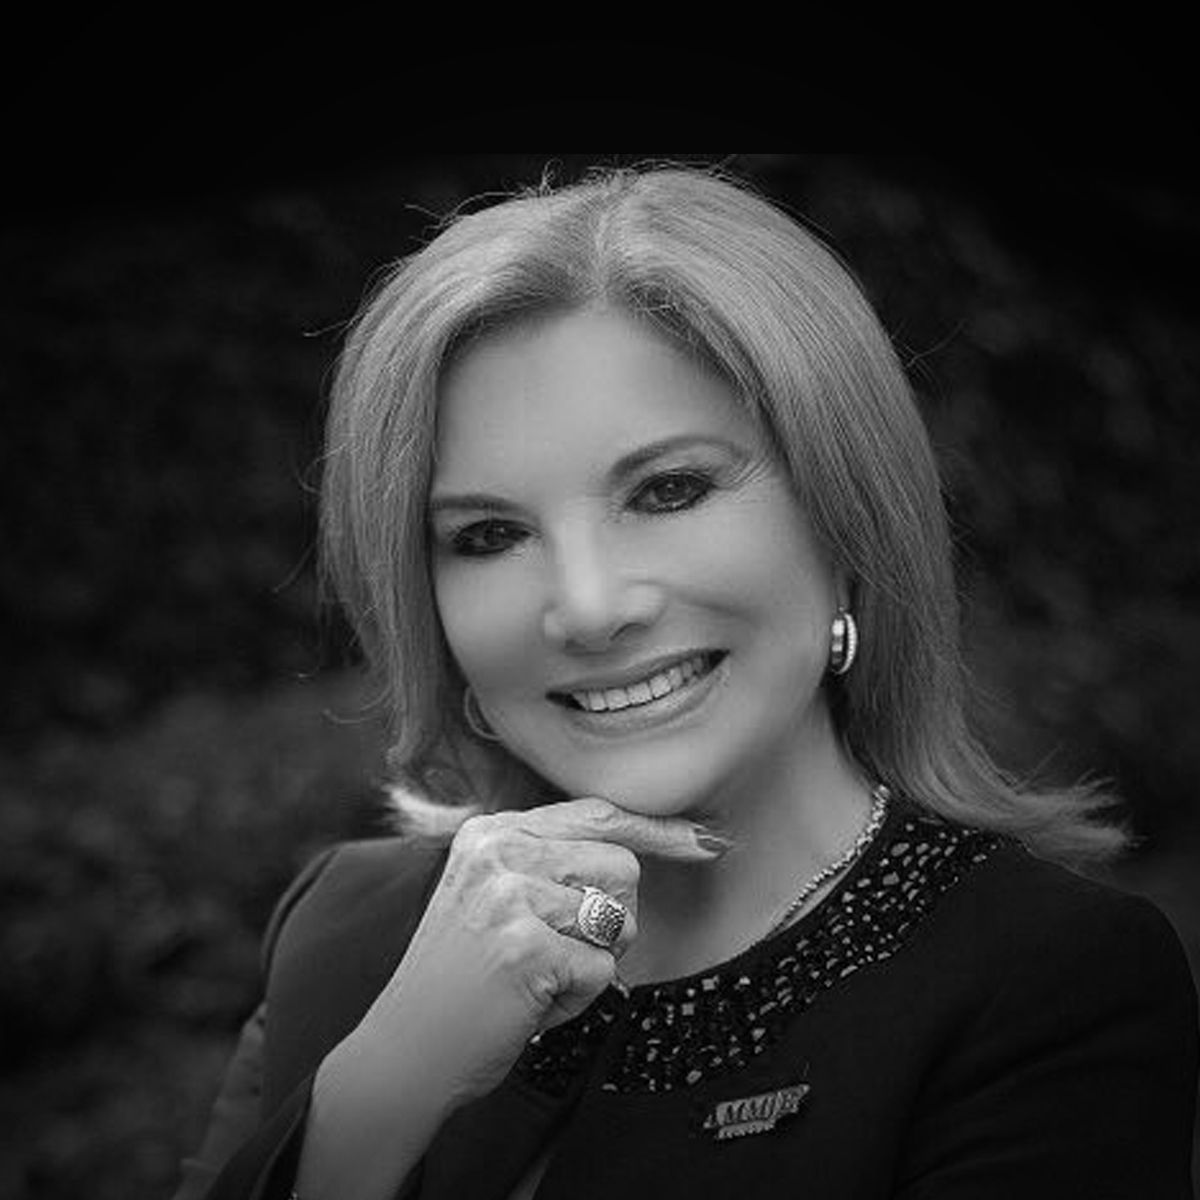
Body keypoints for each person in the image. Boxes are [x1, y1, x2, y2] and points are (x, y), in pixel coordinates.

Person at [175, 164, 1198, 1200]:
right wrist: (377, 1096)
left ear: (847, 520)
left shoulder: (1048, 983)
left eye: (668, 490)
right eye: (488, 536)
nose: (588, 608)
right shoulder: (346, 931)